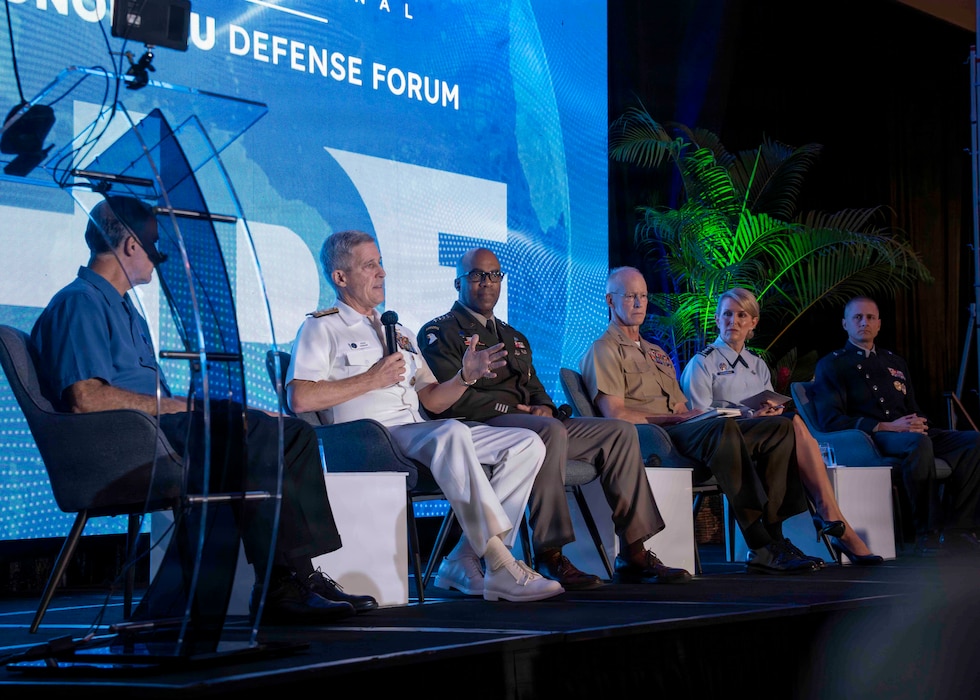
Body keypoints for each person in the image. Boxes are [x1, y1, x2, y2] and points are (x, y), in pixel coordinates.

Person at [30, 196, 377, 625]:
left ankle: (297, 575)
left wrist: (215, 410)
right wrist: (190, 407)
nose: (160, 258)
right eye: (155, 244)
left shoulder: (123, 309)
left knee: (292, 432)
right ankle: (280, 587)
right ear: (132, 246)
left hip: (157, 432)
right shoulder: (80, 302)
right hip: (126, 447)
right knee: (257, 432)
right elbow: (86, 398)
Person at [285, 230, 563, 602]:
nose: (381, 273)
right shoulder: (322, 327)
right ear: (340, 277)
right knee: (450, 434)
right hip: (371, 438)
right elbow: (300, 398)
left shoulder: (399, 331)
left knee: (526, 443)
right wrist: (371, 379)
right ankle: (500, 561)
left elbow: (431, 400)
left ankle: (463, 558)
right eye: (369, 265)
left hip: (418, 431)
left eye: (381, 263)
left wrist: (466, 376)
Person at [418, 248, 692, 588]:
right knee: (548, 431)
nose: (486, 283)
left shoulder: (514, 336)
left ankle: (634, 551)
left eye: (494, 275)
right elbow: (449, 400)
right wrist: (519, 413)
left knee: (618, 432)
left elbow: (536, 390)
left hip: (533, 424)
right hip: (484, 426)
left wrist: (545, 408)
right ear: (458, 282)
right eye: (476, 275)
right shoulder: (439, 332)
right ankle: (552, 554)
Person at [580, 266, 818, 574]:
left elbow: (680, 403)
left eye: (643, 296)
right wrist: (675, 418)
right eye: (629, 296)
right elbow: (617, 415)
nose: (639, 303)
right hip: (656, 437)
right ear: (610, 301)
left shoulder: (656, 352)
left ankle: (775, 537)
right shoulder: (604, 349)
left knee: (780, 428)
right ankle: (759, 543)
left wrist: (694, 414)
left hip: (687, 428)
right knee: (722, 429)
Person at [680, 288, 883, 565]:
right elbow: (698, 419)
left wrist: (768, 411)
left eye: (742, 315)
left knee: (785, 426)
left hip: (761, 437)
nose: (733, 321)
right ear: (716, 319)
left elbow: (766, 404)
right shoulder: (703, 362)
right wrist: (748, 415)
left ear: (753, 322)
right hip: (723, 440)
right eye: (727, 314)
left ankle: (777, 538)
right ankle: (829, 514)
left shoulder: (758, 364)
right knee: (791, 424)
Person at [811, 296, 980, 555]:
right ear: (845, 324)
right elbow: (830, 420)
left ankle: (960, 528)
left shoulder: (894, 362)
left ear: (879, 324)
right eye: (857, 317)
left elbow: (912, 406)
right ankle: (927, 533)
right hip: (872, 438)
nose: (864, 323)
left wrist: (919, 423)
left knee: (974, 442)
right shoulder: (832, 364)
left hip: (907, 432)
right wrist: (885, 426)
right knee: (918, 444)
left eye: (870, 318)